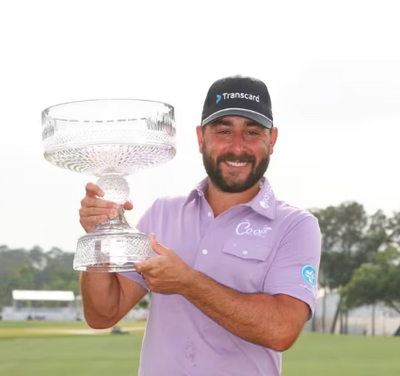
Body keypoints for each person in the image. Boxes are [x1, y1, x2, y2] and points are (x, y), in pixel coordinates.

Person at [79, 75, 321, 376]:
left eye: (252, 132)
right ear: (200, 138)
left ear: (271, 140)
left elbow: (281, 330)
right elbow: (103, 314)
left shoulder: (296, 226)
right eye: (223, 131)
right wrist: (100, 237)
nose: (237, 147)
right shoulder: (163, 212)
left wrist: (187, 282)